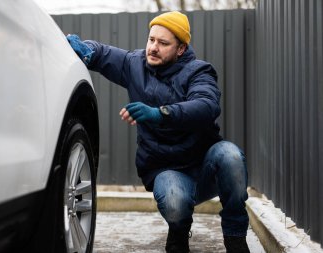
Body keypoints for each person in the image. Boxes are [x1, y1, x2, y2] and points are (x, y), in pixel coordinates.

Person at [67, 11, 250, 253]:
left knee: (231, 155)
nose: (153, 48)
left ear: (181, 49)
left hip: (204, 166)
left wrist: (159, 113)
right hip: (165, 168)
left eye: (163, 43)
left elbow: (207, 105)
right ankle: (179, 232)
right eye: (151, 39)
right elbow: (102, 53)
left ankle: (235, 238)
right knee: (175, 200)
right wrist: (84, 49)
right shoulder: (135, 64)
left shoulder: (199, 72)